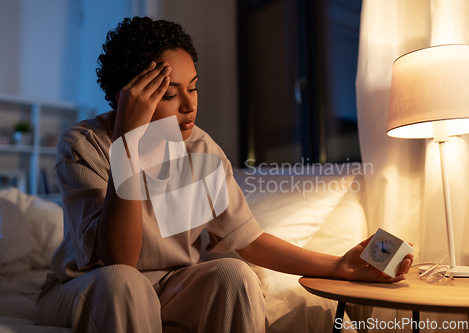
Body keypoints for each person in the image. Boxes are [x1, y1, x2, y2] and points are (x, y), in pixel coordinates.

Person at [36, 16, 413, 333]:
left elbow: (248, 240)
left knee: (235, 274)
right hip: (89, 286)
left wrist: (338, 265)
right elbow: (120, 257)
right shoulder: (85, 144)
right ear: (128, 97)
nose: (190, 104)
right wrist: (129, 145)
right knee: (123, 283)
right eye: (170, 94)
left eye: (194, 87)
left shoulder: (199, 150)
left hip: (169, 285)